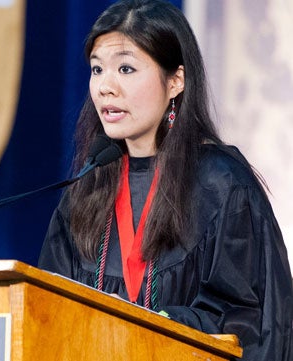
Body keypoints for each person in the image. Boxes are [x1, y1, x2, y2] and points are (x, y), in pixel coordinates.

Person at [37, 1, 293, 360]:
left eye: (126, 68)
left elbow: (249, 324)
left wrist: (151, 322)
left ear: (175, 81)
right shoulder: (87, 188)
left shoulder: (221, 186)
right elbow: (46, 313)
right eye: (97, 70)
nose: (105, 87)